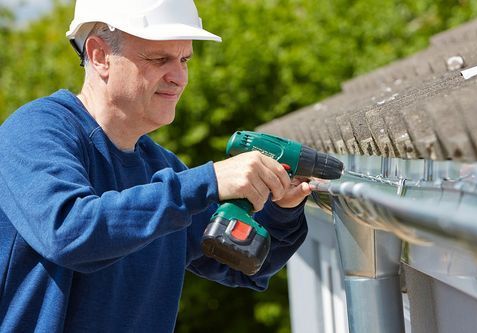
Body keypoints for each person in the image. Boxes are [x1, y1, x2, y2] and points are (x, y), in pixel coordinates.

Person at [0, 0, 312, 331]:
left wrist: (282, 209)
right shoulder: (35, 131)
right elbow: (68, 232)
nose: (178, 77)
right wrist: (208, 181)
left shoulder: (163, 169)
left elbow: (243, 263)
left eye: (184, 60)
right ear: (99, 55)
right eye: (159, 59)